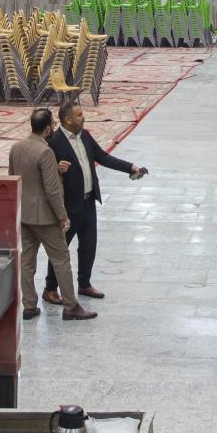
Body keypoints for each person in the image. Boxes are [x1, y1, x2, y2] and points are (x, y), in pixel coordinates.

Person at [43, 102, 147, 306]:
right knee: (60, 249)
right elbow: (45, 172)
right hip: (68, 206)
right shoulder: (54, 142)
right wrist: (56, 168)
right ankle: (50, 288)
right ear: (68, 120)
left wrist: (131, 167)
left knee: (88, 246)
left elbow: (103, 157)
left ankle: (84, 283)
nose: (84, 117)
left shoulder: (85, 135)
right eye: (79, 115)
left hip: (88, 201)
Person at [9, 107, 95, 322]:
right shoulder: (45, 152)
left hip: (25, 213)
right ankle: (71, 306)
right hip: (45, 217)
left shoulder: (16, 148)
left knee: (27, 261)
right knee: (61, 259)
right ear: (48, 128)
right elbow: (52, 189)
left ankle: (29, 305)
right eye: (53, 125)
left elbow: (13, 178)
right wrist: (63, 217)